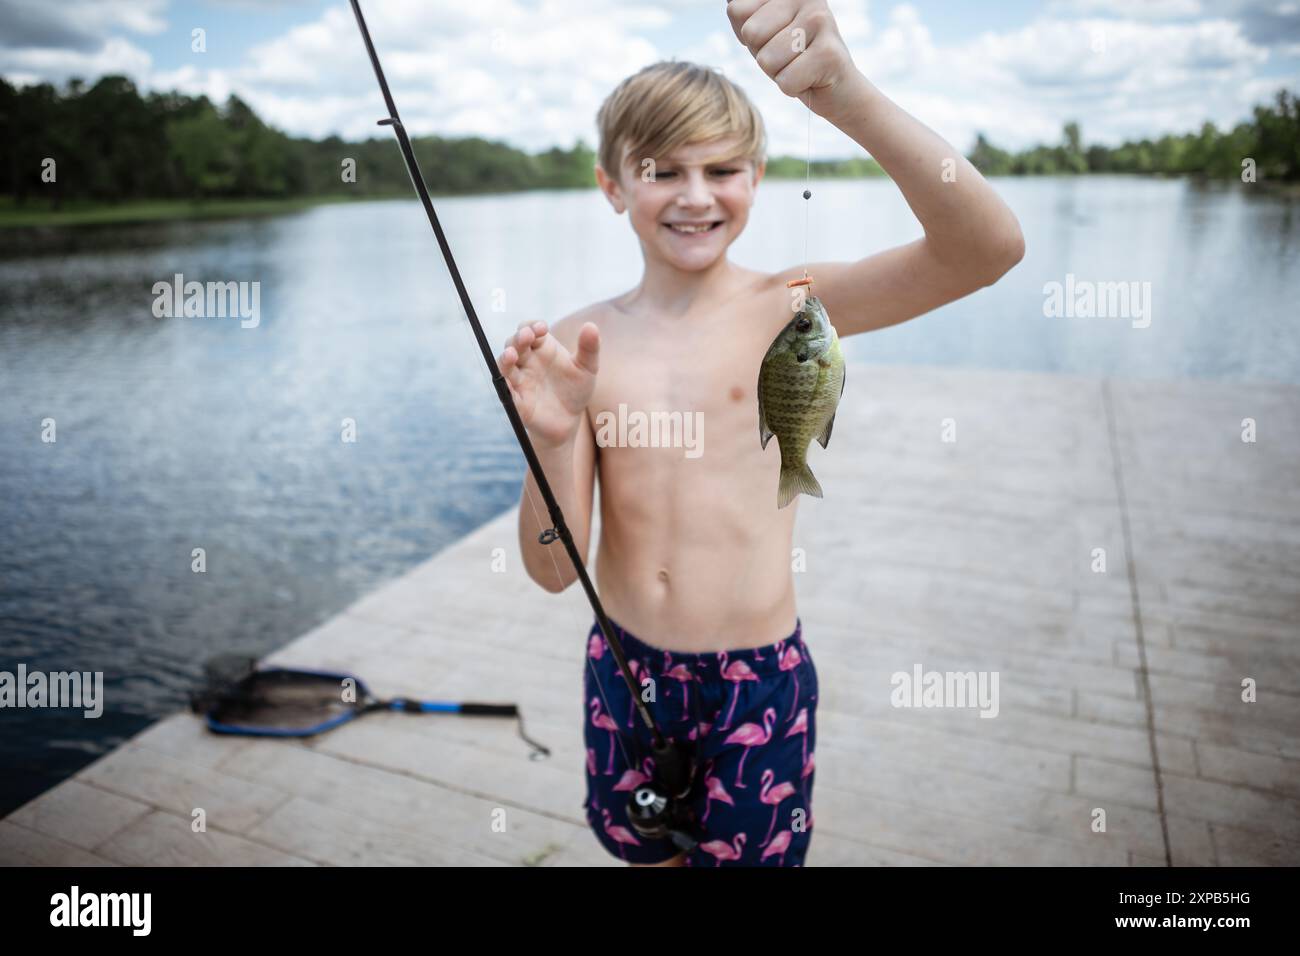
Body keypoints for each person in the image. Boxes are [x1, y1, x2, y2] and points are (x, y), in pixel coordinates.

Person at [497, 0, 1024, 866]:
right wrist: (551, 443)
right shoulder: (580, 343)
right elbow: (555, 571)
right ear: (612, 184)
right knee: (648, 856)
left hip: (758, 680)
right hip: (625, 672)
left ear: (758, 174)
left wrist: (845, 94)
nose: (696, 195)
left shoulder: (793, 305)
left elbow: (987, 248)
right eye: (663, 170)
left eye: (724, 169)